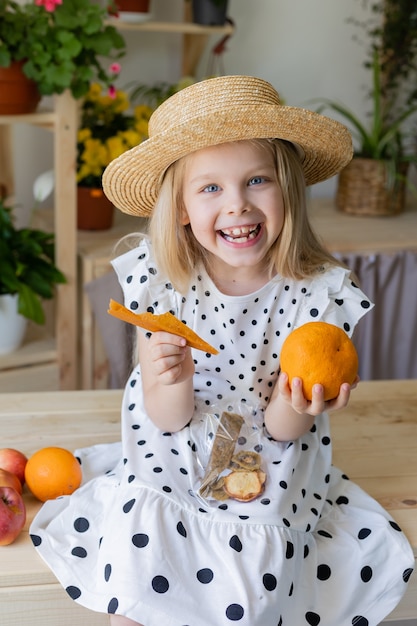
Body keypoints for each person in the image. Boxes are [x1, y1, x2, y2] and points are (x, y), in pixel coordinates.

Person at [30, 75, 414, 626]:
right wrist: (169, 380)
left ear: (287, 189)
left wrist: (298, 404)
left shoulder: (317, 293)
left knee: (256, 572)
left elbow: (284, 431)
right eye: (210, 188)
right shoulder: (163, 281)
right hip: (178, 439)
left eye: (257, 180)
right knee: (147, 552)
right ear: (182, 208)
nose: (237, 205)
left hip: (271, 449)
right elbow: (164, 419)